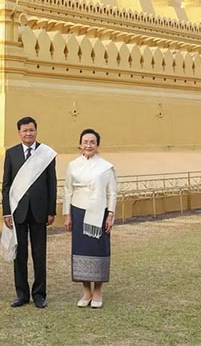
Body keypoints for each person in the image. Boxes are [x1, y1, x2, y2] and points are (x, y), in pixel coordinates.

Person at [1, 116, 57, 309]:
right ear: (19, 133)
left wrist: (51, 210)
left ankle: (39, 294)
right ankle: (22, 294)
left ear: (36, 131)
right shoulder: (11, 153)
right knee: (20, 255)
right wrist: (7, 212)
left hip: (40, 212)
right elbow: (6, 186)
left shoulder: (46, 154)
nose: (28, 133)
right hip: (18, 212)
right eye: (24, 130)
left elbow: (52, 183)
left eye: (31, 130)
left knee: (39, 254)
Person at [63, 128, 117, 309]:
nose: (88, 145)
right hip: (78, 211)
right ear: (80, 144)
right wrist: (67, 215)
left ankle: (98, 291)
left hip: (99, 213)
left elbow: (112, 192)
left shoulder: (106, 167)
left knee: (98, 251)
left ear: (97, 145)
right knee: (81, 251)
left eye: (92, 142)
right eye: (85, 141)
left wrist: (110, 215)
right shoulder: (73, 165)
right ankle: (86, 291)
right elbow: (68, 190)